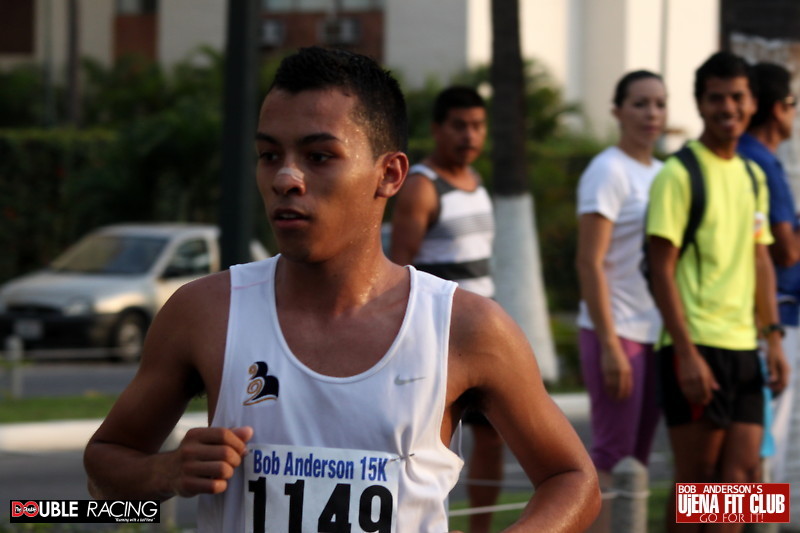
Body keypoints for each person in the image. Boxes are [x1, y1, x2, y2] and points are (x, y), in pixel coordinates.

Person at [83, 47, 600, 532]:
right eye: (269, 154)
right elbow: (105, 469)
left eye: (319, 156)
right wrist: (165, 474)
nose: (286, 178)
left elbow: (573, 479)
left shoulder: (464, 328)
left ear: (389, 174)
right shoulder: (206, 312)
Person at [645, 51, 789, 533]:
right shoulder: (677, 173)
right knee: (698, 484)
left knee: (743, 480)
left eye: (737, 97)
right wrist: (687, 353)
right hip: (694, 347)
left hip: (745, 347)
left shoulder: (752, 174)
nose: (728, 107)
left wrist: (772, 339)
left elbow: (761, 259)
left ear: (753, 103)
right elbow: (660, 269)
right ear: (701, 105)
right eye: (716, 98)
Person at [388, 86, 500, 533]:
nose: (469, 135)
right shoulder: (422, 186)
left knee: (492, 438)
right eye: (459, 126)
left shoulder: (476, 183)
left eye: (478, 126)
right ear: (436, 129)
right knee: (431, 447)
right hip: (438, 341)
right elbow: (399, 269)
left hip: (482, 339)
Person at [575, 70, 666, 532]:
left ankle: (767, 516)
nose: (652, 114)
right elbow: (589, 262)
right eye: (640, 103)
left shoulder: (667, 173)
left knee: (641, 461)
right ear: (617, 111)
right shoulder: (608, 170)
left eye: (660, 104)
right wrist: (610, 345)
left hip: (662, 334)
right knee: (613, 457)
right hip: (618, 331)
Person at [738, 61, 799, 484]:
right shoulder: (760, 161)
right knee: (757, 457)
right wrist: (774, 336)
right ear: (777, 108)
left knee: (734, 461)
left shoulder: (739, 158)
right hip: (764, 319)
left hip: (751, 323)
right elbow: (784, 252)